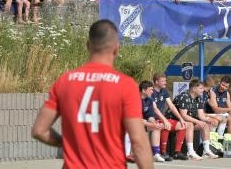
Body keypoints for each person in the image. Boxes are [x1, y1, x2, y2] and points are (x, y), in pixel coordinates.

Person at [31, 20, 153, 169]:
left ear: (88, 45)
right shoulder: (125, 85)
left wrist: (66, 142)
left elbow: (39, 130)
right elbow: (138, 142)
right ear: (116, 49)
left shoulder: (65, 81)